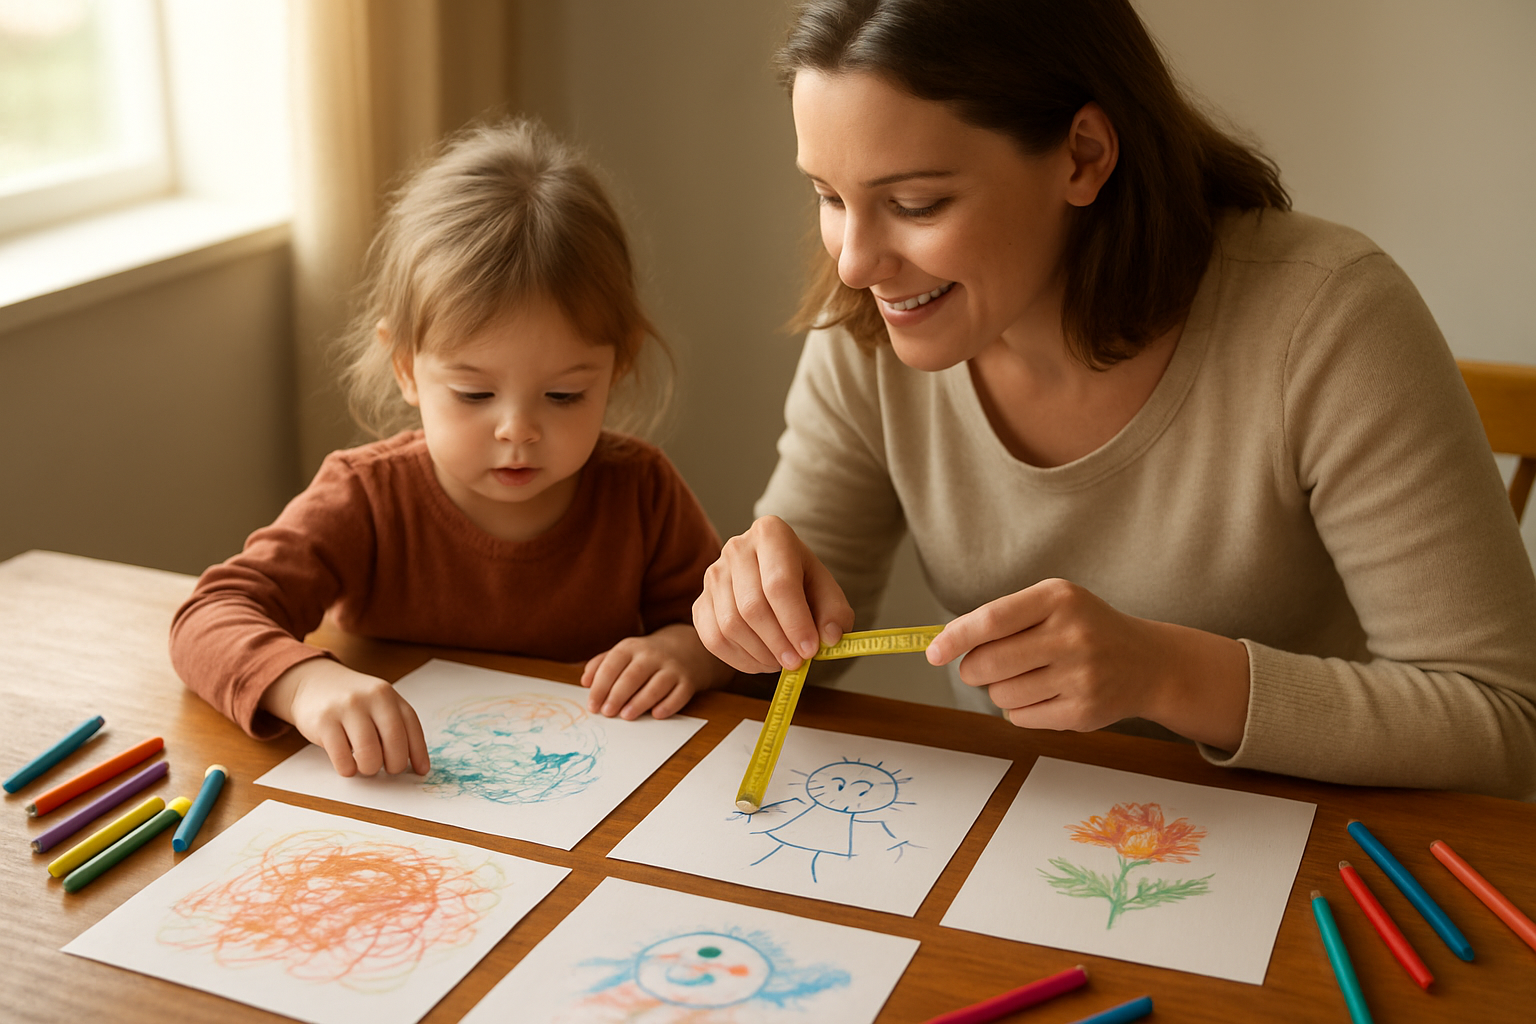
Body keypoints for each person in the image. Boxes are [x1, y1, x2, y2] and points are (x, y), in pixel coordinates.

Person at [693, 0, 1536, 799]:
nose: (854, 263)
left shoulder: (1328, 319)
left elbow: (1503, 724)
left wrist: (1167, 673)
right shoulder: (876, 321)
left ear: (1084, 155)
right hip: (1029, 835)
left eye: (916, 203)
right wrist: (747, 622)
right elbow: (794, 657)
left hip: (1317, 862)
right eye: (831, 197)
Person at [172, 119, 732, 778]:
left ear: (617, 367)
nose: (517, 430)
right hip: (399, 808)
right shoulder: (365, 496)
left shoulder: (641, 492)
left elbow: (728, 633)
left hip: (577, 798)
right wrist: (304, 685)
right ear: (406, 367)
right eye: (472, 394)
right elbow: (207, 618)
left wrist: (686, 651)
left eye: (563, 397)